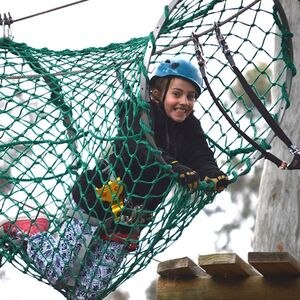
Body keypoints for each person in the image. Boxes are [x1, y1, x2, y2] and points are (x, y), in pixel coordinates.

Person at [0, 57, 229, 299]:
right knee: (62, 270)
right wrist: (173, 166)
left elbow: (201, 155)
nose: (184, 102)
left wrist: (212, 174)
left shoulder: (190, 127)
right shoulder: (138, 113)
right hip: (97, 199)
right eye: (177, 94)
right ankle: (31, 234)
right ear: (156, 93)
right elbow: (139, 146)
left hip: (129, 219)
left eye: (191, 96)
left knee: (89, 292)